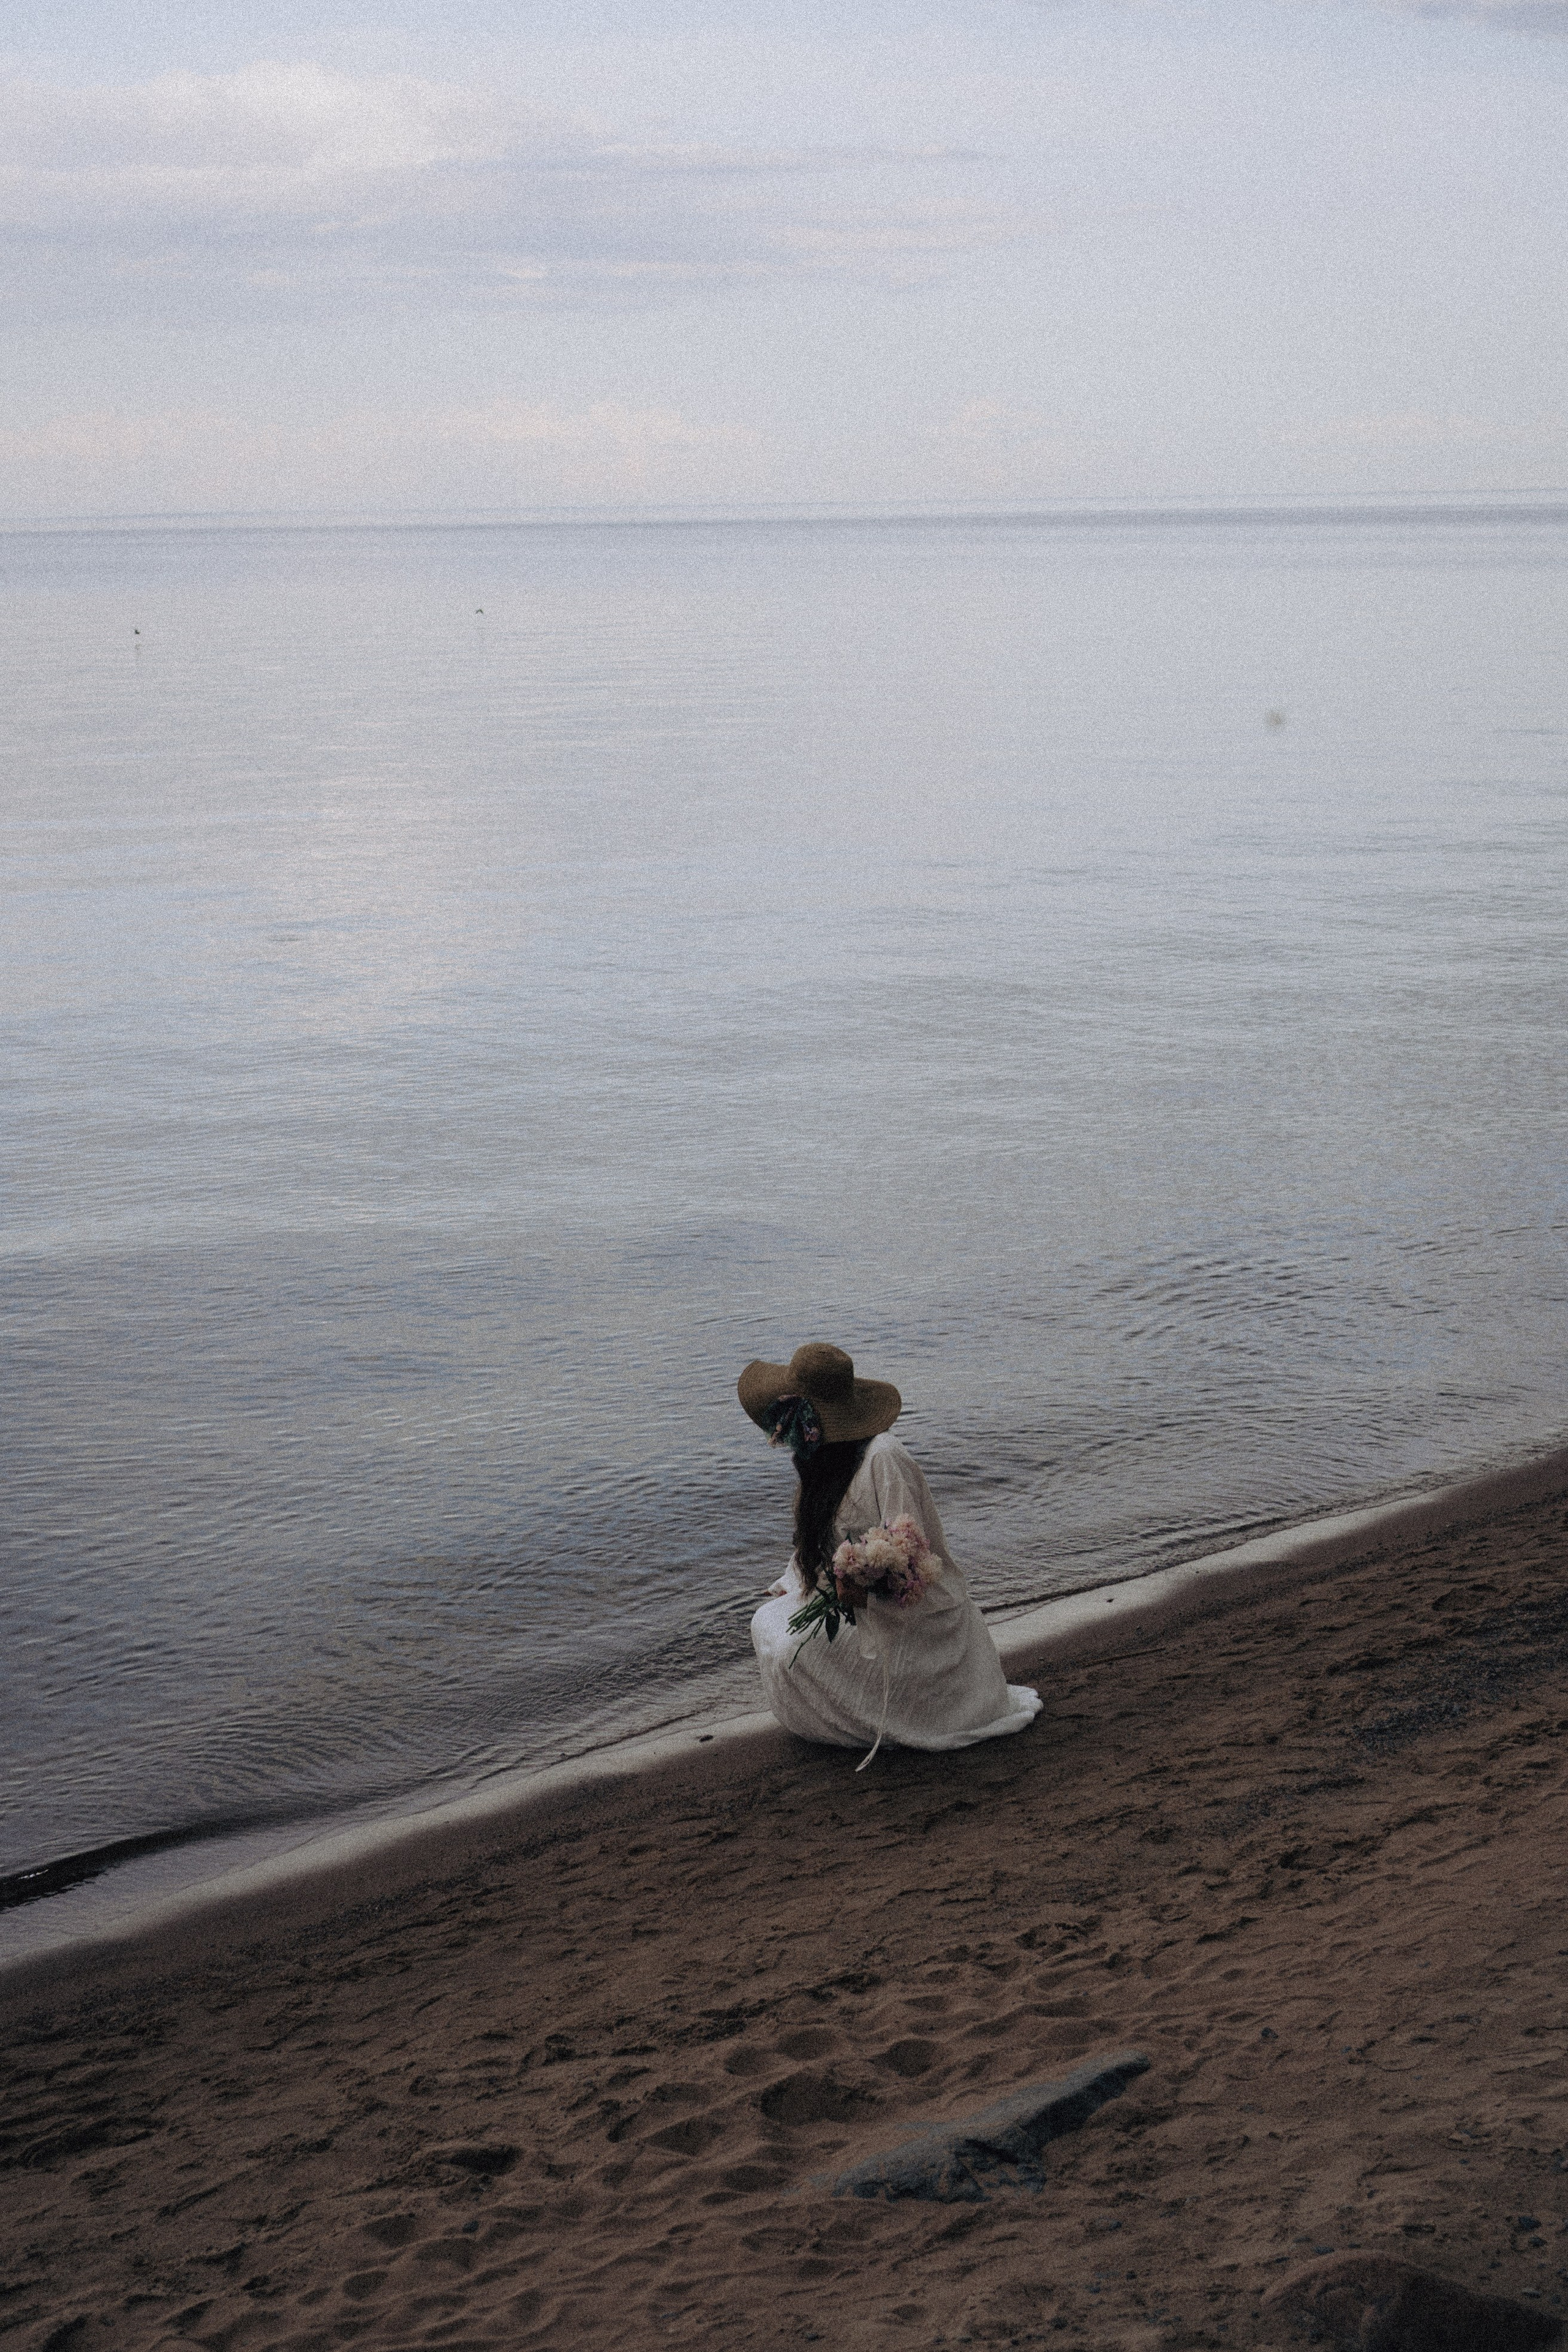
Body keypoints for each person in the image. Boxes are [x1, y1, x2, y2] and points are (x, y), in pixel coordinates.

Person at [740, 1342, 1041, 1763]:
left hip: (911, 1622)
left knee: (791, 1649)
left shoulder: (884, 1457)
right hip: (857, 1602)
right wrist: (799, 1584)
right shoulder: (824, 1460)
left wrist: (860, 1588)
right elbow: (822, 1546)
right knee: (766, 1621)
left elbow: (911, 1559)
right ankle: (846, 1715)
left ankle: (879, 1716)